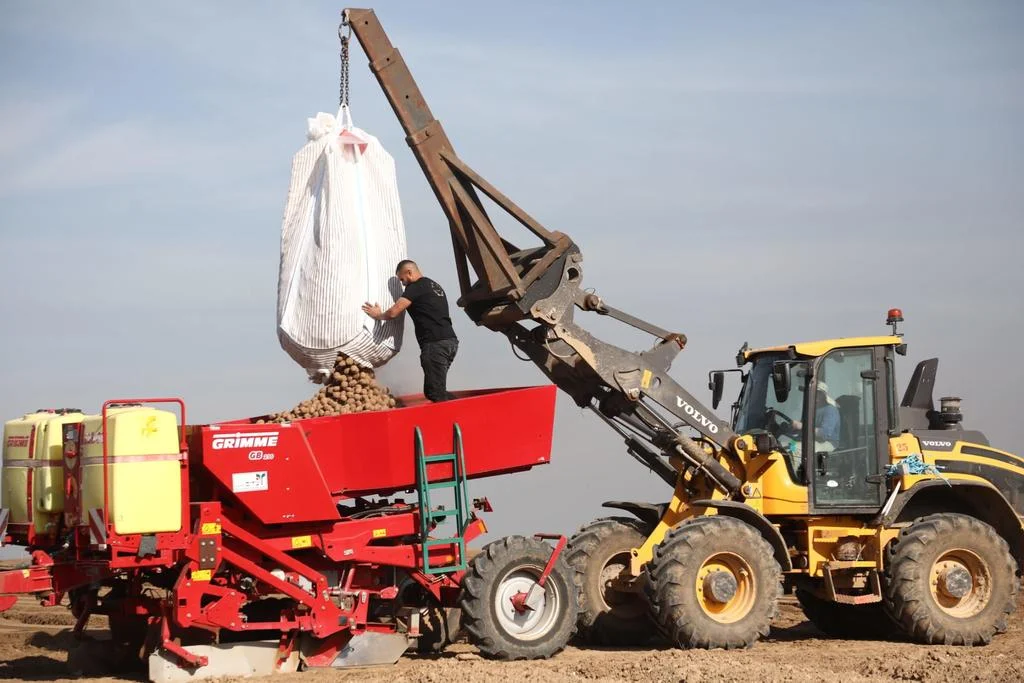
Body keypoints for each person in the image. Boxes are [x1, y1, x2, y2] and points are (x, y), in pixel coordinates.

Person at [362, 260, 459, 402]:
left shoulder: (416, 286)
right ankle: (460, 407)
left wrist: (378, 315)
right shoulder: (433, 285)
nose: (402, 284)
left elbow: (394, 312)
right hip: (450, 342)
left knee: (435, 393)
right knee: (435, 389)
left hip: (435, 344)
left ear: (409, 272)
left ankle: (464, 410)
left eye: (402, 279)